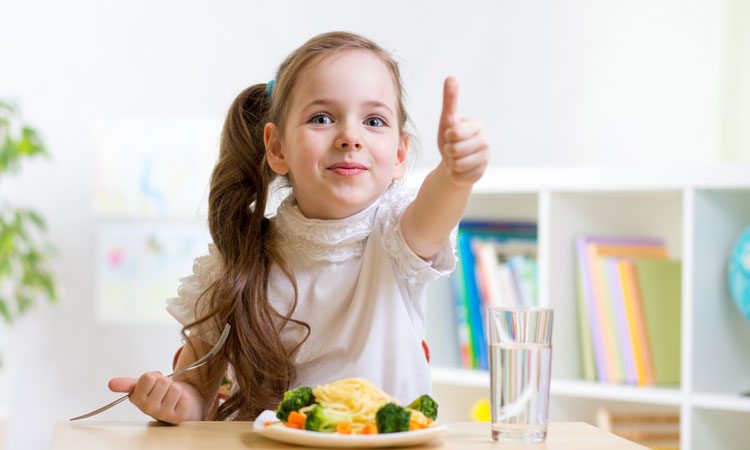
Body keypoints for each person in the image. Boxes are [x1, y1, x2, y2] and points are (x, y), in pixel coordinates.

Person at [108, 31, 488, 424]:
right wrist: (173, 401)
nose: (350, 137)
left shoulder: (397, 234)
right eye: (322, 118)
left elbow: (434, 213)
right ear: (277, 147)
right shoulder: (240, 256)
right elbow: (196, 394)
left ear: (398, 155)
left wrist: (456, 174)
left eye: (374, 120)